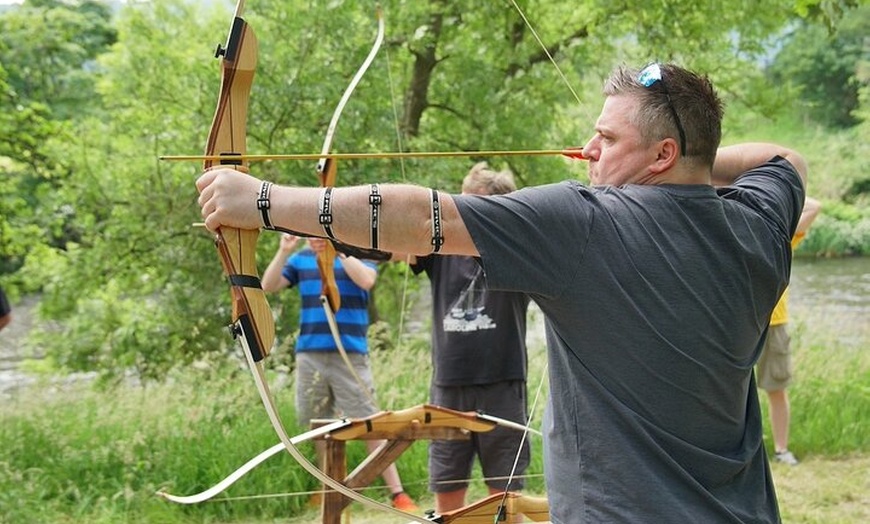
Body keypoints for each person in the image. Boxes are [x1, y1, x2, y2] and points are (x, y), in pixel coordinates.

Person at [197, 62, 807, 522]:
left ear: (661, 154)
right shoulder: (759, 224)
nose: (589, 151)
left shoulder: (587, 222)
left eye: (608, 140)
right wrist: (685, 164)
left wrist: (263, 203)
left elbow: (423, 218)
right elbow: (787, 159)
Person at [400, 162, 532, 515]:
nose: (461, 211)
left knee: (504, 503)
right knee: (447, 498)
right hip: (450, 387)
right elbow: (402, 234)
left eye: (473, 204)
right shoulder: (440, 249)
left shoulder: (517, 254)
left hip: (503, 385)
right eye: (460, 202)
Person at [260, 233, 418, 512]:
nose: (314, 239)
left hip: (350, 354)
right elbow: (269, 285)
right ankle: (327, 489)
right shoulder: (301, 260)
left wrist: (339, 251)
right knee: (319, 427)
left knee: (370, 425)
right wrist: (284, 250)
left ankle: (398, 493)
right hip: (311, 354)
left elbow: (367, 281)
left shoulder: (359, 255)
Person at [759, 196, 821, 466]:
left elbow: (814, 206)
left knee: (777, 388)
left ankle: (782, 451)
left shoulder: (780, 236)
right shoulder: (732, 226)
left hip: (773, 323)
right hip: (733, 322)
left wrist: (771, 188)